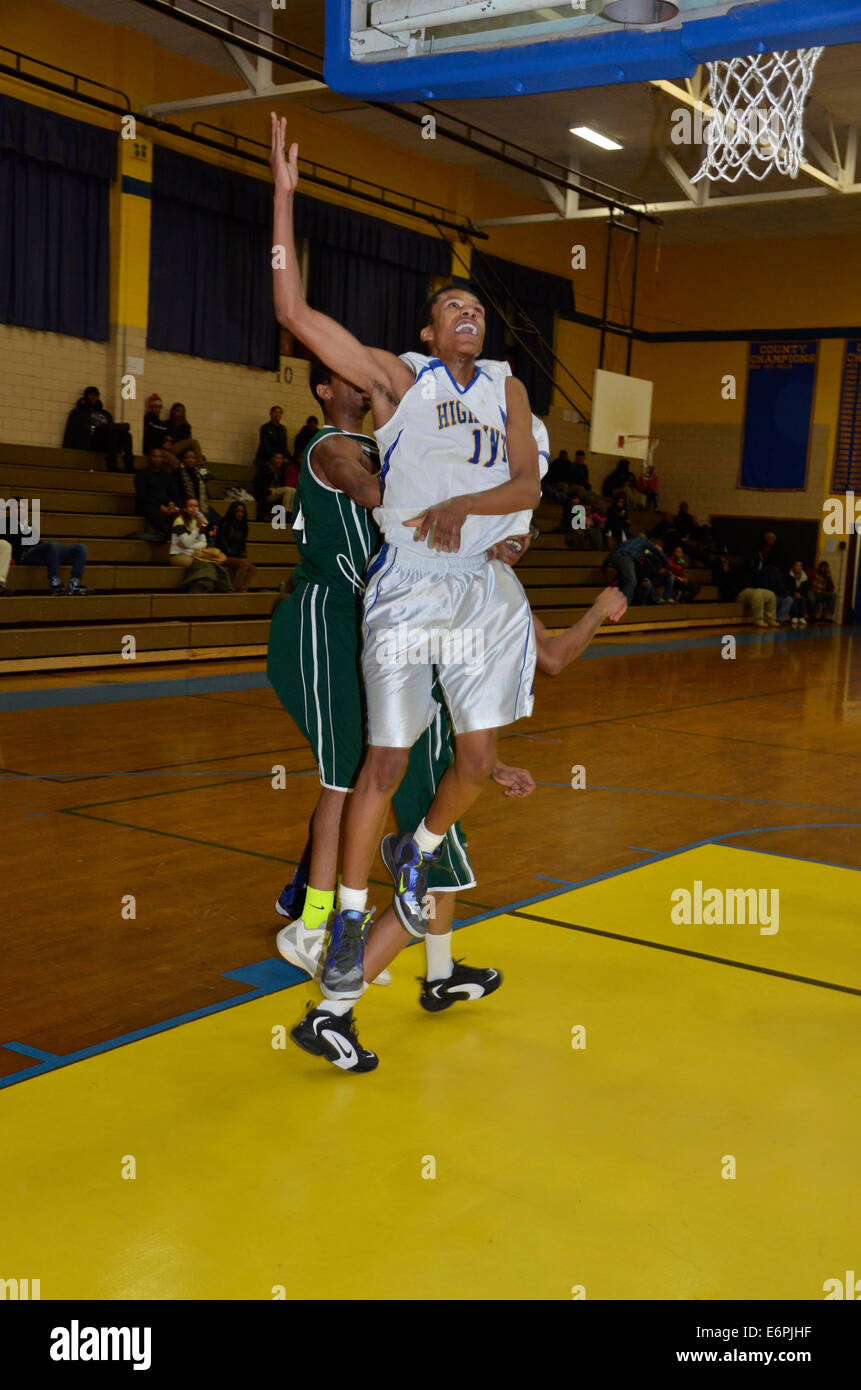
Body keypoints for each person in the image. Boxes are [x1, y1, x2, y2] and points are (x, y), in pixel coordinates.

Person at [270, 112, 542, 1016]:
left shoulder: (508, 390)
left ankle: (417, 853)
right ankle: (346, 922)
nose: (468, 315)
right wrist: (283, 201)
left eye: (477, 308)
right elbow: (294, 312)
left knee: (476, 759)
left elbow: (527, 487)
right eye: (451, 309)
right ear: (427, 333)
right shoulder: (401, 382)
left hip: (480, 592)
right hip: (410, 590)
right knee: (381, 764)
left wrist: (489, 522)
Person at [280, 517, 627, 1073]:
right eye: (510, 526)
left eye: (528, 532)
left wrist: (492, 766)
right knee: (426, 884)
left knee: (450, 878)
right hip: (417, 757)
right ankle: (332, 1011)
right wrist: (597, 611)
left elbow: (550, 658)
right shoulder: (432, 576)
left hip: (444, 756)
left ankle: (438, 979)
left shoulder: (494, 589)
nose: (518, 538)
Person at [62, 387, 134, 473]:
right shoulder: (78, 412)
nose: (93, 397)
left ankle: (129, 465)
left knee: (126, 435)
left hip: (107, 440)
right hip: (90, 441)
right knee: (112, 432)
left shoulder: (105, 414)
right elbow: (70, 431)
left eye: (95, 395)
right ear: (86, 396)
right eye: (91, 395)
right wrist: (67, 448)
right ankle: (111, 465)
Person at [169, 497, 233, 592]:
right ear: (184, 509)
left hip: (192, 554)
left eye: (196, 506)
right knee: (206, 566)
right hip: (178, 556)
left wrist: (189, 546)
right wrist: (197, 528)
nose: (194, 509)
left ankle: (205, 588)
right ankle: (197, 588)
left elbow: (203, 543)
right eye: (191, 506)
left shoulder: (196, 521)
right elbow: (187, 542)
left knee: (214, 565)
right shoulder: (179, 521)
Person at [10, 531, 91, 594]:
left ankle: (74, 583)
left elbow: (38, 543)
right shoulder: (5, 523)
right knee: (53, 544)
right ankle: (54, 582)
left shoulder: (27, 525)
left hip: (41, 552)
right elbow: (6, 544)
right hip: (25, 555)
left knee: (81, 547)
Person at [602, 532, 666, 605]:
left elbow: (613, 552)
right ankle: (624, 605)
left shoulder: (627, 543)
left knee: (629, 581)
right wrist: (666, 561)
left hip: (616, 558)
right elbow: (657, 551)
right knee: (631, 582)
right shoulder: (643, 542)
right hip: (625, 558)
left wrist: (604, 564)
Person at [133, 447, 182, 541]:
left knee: (179, 515)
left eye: (160, 457)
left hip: (166, 507)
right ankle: (162, 534)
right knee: (156, 514)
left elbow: (174, 494)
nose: (157, 459)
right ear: (149, 458)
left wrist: (173, 506)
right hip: (147, 506)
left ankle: (159, 536)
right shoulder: (141, 474)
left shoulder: (167, 476)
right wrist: (160, 506)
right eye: (154, 456)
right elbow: (142, 496)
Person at [212, 501, 256, 592]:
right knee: (243, 565)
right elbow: (222, 545)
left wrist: (242, 556)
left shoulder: (243, 527)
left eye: (242, 512)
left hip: (236, 556)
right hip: (223, 556)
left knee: (252, 568)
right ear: (232, 512)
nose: (240, 514)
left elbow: (242, 545)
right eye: (237, 511)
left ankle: (243, 589)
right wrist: (237, 556)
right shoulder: (224, 525)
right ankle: (235, 590)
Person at [176, 445, 219, 525]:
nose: (191, 460)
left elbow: (210, 479)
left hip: (201, 505)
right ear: (183, 459)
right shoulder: (178, 474)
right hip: (187, 506)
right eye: (188, 458)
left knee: (217, 521)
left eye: (193, 458)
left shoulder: (198, 473)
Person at [163, 403, 205, 471]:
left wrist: (172, 440)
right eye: (178, 411)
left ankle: (202, 468)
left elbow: (187, 442)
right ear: (173, 412)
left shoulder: (186, 426)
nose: (180, 413)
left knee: (194, 442)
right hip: (168, 449)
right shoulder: (166, 423)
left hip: (179, 448)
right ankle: (181, 471)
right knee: (168, 456)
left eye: (182, 412)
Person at [253, 451, 293, 522]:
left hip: (275, 492)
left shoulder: (280, 471)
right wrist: (268, 490)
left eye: (281, 459)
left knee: (293, 490)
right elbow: (258, 485)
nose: (279, 461)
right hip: (266, 494)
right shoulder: (264, 469)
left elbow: (282, 484)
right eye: (277, 458)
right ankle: (285, 514)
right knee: (288, 490)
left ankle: (289, 512)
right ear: (271, 459)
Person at [786, 560, 808, 628]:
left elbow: (805, 588)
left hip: (800, 594)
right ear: (794, 566)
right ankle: (794, 616)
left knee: (803, 598)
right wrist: (794, 593)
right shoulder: (789, 575)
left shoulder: (804, 577)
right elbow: (787, 586)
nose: (798, 567)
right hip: (790, 593)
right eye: (797, 565)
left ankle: (801, 617)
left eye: (800, 566)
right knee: (793, 598)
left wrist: (799, 593)